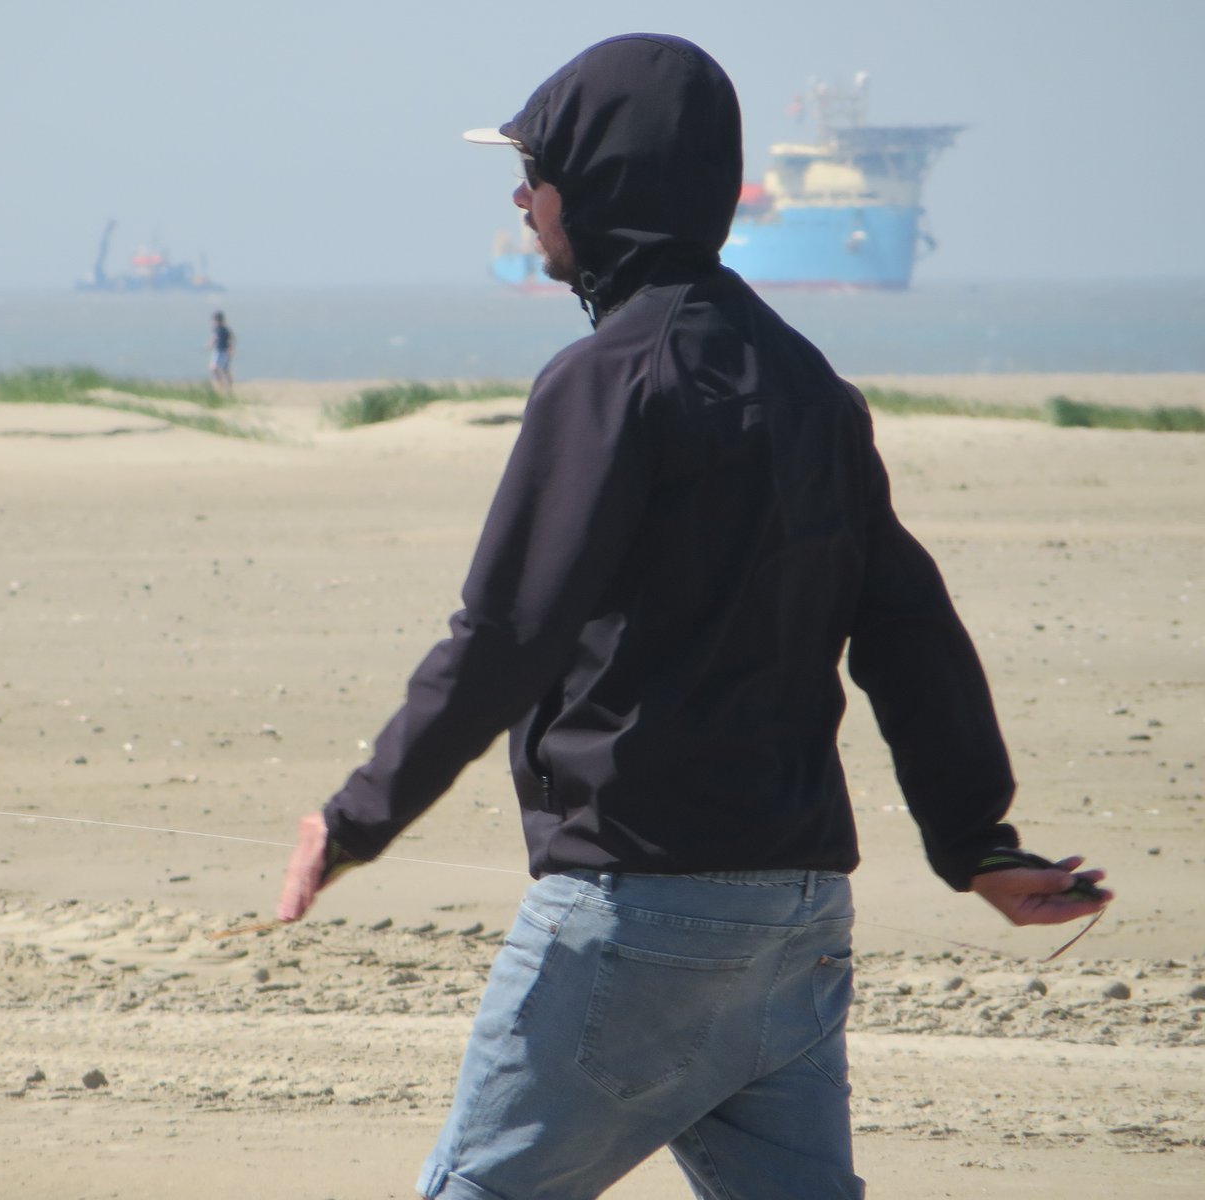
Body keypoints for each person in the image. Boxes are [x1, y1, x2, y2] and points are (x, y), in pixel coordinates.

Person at [277, 33, 1111, 1200]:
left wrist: (355, 818)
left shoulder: (607, 381)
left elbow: (506, 634)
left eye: (533, 172)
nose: (520, 199)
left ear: (599, 183)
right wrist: (975, 841)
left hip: (638, 909)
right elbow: (911, 632)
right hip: (794, 911)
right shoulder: (811, 383)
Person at [207, 310, 234, 393]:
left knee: (224, 370)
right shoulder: (217, 329)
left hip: (224, 352)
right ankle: (221, 384)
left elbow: (230, 341)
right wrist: (209, 345)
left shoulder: (225, 330)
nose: (214, 322)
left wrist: (231, 351)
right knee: (214, 368)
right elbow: (215, 338)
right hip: (217, 351)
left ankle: (227, 387)